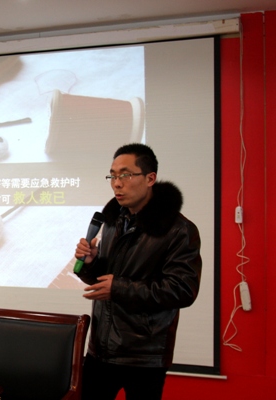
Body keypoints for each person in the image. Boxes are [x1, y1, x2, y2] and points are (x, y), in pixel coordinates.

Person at [74, 143, 202, 400]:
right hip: (101, 349)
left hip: (145, 356)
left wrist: (118, 288)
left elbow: (182, 290)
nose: (117, 184)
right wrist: (91, 263)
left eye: (126, 175)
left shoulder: (179, 230)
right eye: (112, 176)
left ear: (150, 178)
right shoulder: (113, 221)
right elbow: (105, 280)